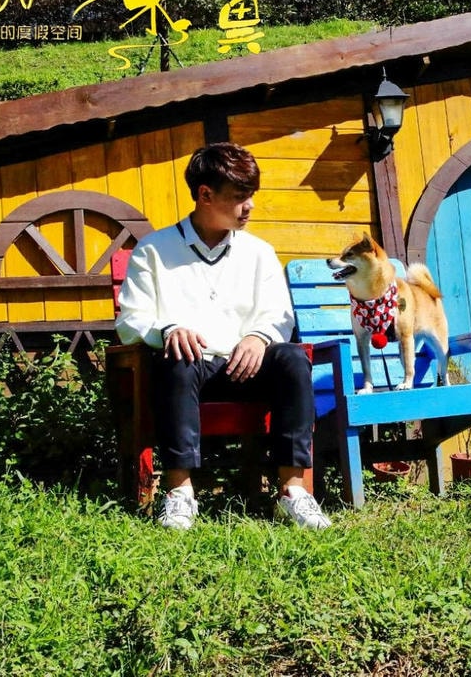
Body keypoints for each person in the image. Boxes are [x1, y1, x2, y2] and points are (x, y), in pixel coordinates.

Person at [115, 142, 331, 530]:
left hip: (247, 368)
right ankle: (180, 494)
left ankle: (294, 493)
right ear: (205, 195)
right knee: (178, 356)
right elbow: (131, 320)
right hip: (188, 372)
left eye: (251, 196)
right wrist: (168, 329)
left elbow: (279, 316)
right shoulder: (153, 251)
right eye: (239, 197)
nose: (249, 206)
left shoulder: (259, 252)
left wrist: (259, 337)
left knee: (293, 358)